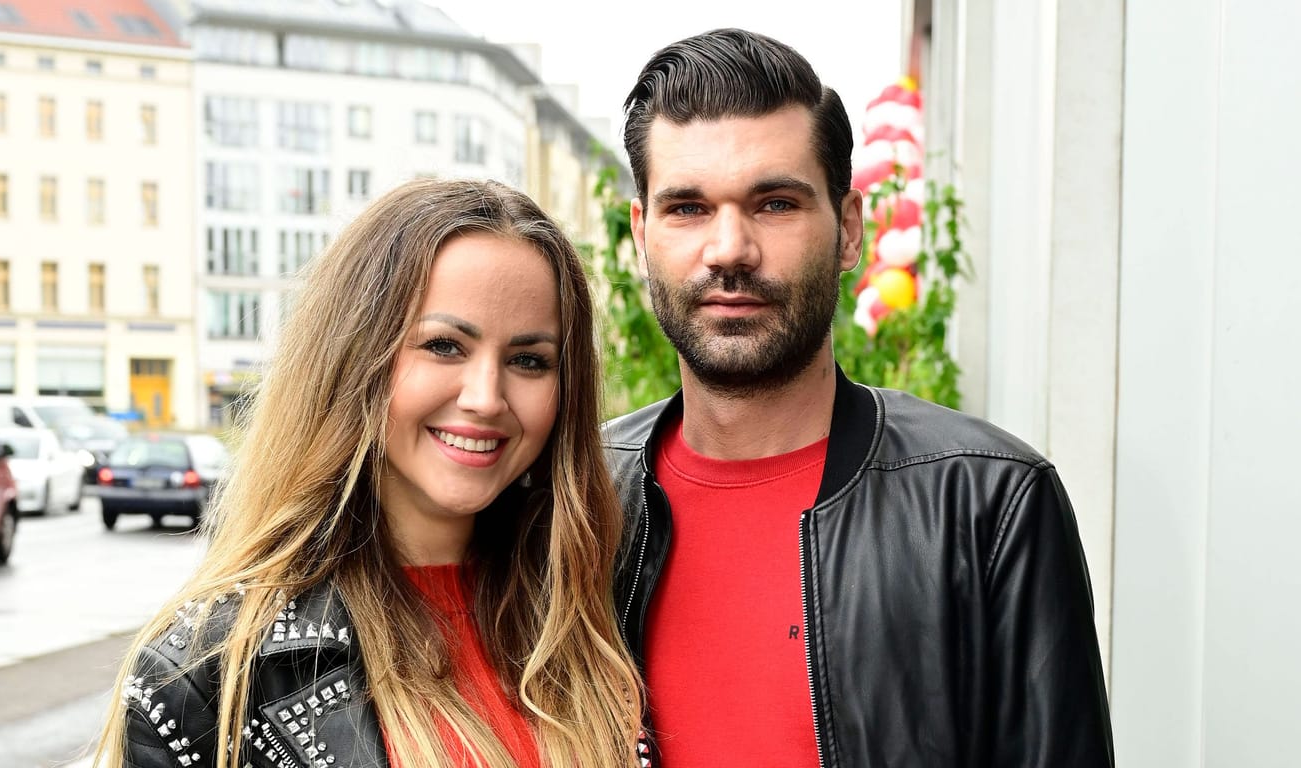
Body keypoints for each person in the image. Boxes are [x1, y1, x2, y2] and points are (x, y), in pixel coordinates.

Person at [604, 28, 1114, 767]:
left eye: (774, 203)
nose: (729, 249)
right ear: (641, 233)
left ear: (849, 229)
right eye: (687, 208)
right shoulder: (579, 499)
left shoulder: (986, 504)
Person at [93, 178, 642, 768]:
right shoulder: (207, 673)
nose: (487, 397)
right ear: (356, 358)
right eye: (445, 346)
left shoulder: (600, 603)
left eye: (528, 360)